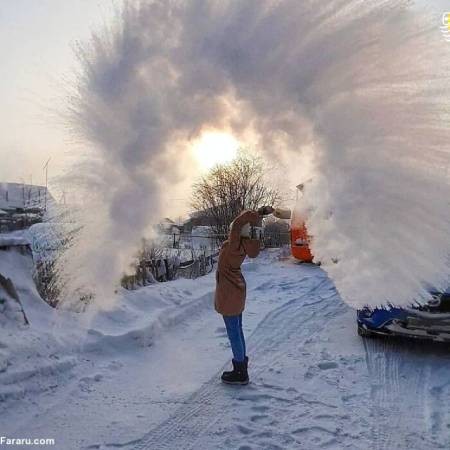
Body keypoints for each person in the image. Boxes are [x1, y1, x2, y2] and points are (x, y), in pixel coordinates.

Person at [215, 207, 273, 385]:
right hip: (236, 291)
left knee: (233, 332)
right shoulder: (244, 244)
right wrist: (259, 215)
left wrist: (249, 216)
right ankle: (242, 366)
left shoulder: (234, 245)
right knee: (237, 330)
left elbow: (238, 224)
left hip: (229, 293)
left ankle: (240, 371)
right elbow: (242, 227)